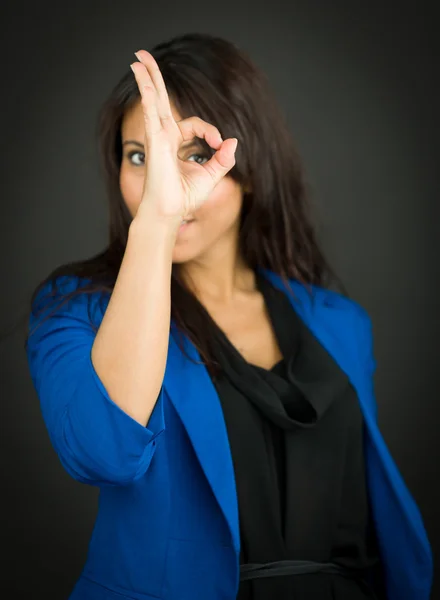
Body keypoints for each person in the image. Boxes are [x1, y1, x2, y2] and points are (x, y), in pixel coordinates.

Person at [25, 33, 432, 600]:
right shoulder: (77, 308)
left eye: (191, 155)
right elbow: (103, 453)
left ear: (250, 162)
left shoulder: (339, 322)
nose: (164, 182)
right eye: (139, 156)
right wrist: (157, 224)